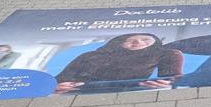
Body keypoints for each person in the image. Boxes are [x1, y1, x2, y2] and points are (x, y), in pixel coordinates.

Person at [54, 33, 183, 93]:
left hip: (129, 92)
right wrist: (57, 85)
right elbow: (62, 78)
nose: (138, 42)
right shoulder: (90, 55)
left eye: (145, 39)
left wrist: (169, 83)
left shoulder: (165, 53)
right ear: (119, 43)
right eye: (130, 40)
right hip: (78, 92)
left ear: (155, 43)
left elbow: (172, 77)